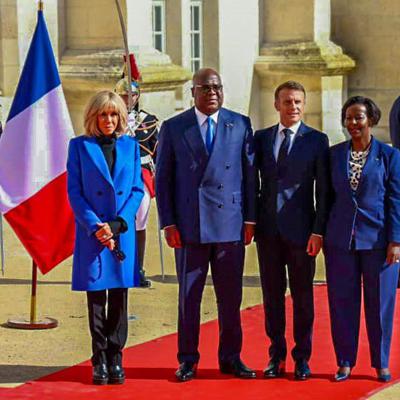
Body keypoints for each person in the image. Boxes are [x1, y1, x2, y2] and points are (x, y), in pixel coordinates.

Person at [156, 68, 257, 382]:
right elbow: (163, 179)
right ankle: (188, 359)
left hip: (230, 224)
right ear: (193, 93)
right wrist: (169, 222)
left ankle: (231, 357)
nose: (212, 93)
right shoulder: (174, 127)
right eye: (205, 88)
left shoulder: (240, 124)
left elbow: (249, 176)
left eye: (217, 87)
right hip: (190, 226)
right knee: (189, 298)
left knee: (230, 298)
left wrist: (250, 219)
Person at [254, 81, 330, 380]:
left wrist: (318, 231)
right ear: (277, 105)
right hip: (268, 232)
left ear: (304, 104)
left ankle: (302, 358)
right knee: (272, 297)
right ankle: (276, 356)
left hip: (302, 233)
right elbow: (252, 183)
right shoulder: (261, 139)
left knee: (302, 298)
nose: (293, 106)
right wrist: (250, 222)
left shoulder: (317, 140)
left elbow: (323, 191)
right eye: (287, 101)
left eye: (298, 101)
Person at [67, 90, 144, 385]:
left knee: (120, 297)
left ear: (121, 117)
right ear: (93, 117)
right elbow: (75, 192)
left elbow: (136, 189)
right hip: (93, 233)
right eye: (103, 114)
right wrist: (96, 226)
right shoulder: (79, 146)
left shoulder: (131, 146)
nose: (108, 120)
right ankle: (99, 357)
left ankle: (116, 356)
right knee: (97, 298)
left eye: (113, 114)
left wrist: (117, 224)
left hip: (121, 233)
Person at [324, 96, 400, 382]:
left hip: (380, 242)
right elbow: (326, 198)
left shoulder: (390, 156)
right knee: (342, 302)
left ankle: (381, 362)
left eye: (359, 117)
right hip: (340, 241)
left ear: (372, 120)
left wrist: (396, 241)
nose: (353, 123)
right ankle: (344, 362)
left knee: (380, 305)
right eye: (348, 118)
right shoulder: (334, 155)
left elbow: (396, 200)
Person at [115, 77, 159, 288]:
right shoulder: (110, 118)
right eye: (124, 96)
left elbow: (157, 152)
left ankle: (137, 269)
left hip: (142, 174)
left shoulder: (147, 120)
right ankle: (118, 267)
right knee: (119, 220)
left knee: (140, 219)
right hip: (118, 174)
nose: (128, 100)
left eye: (131, 95)